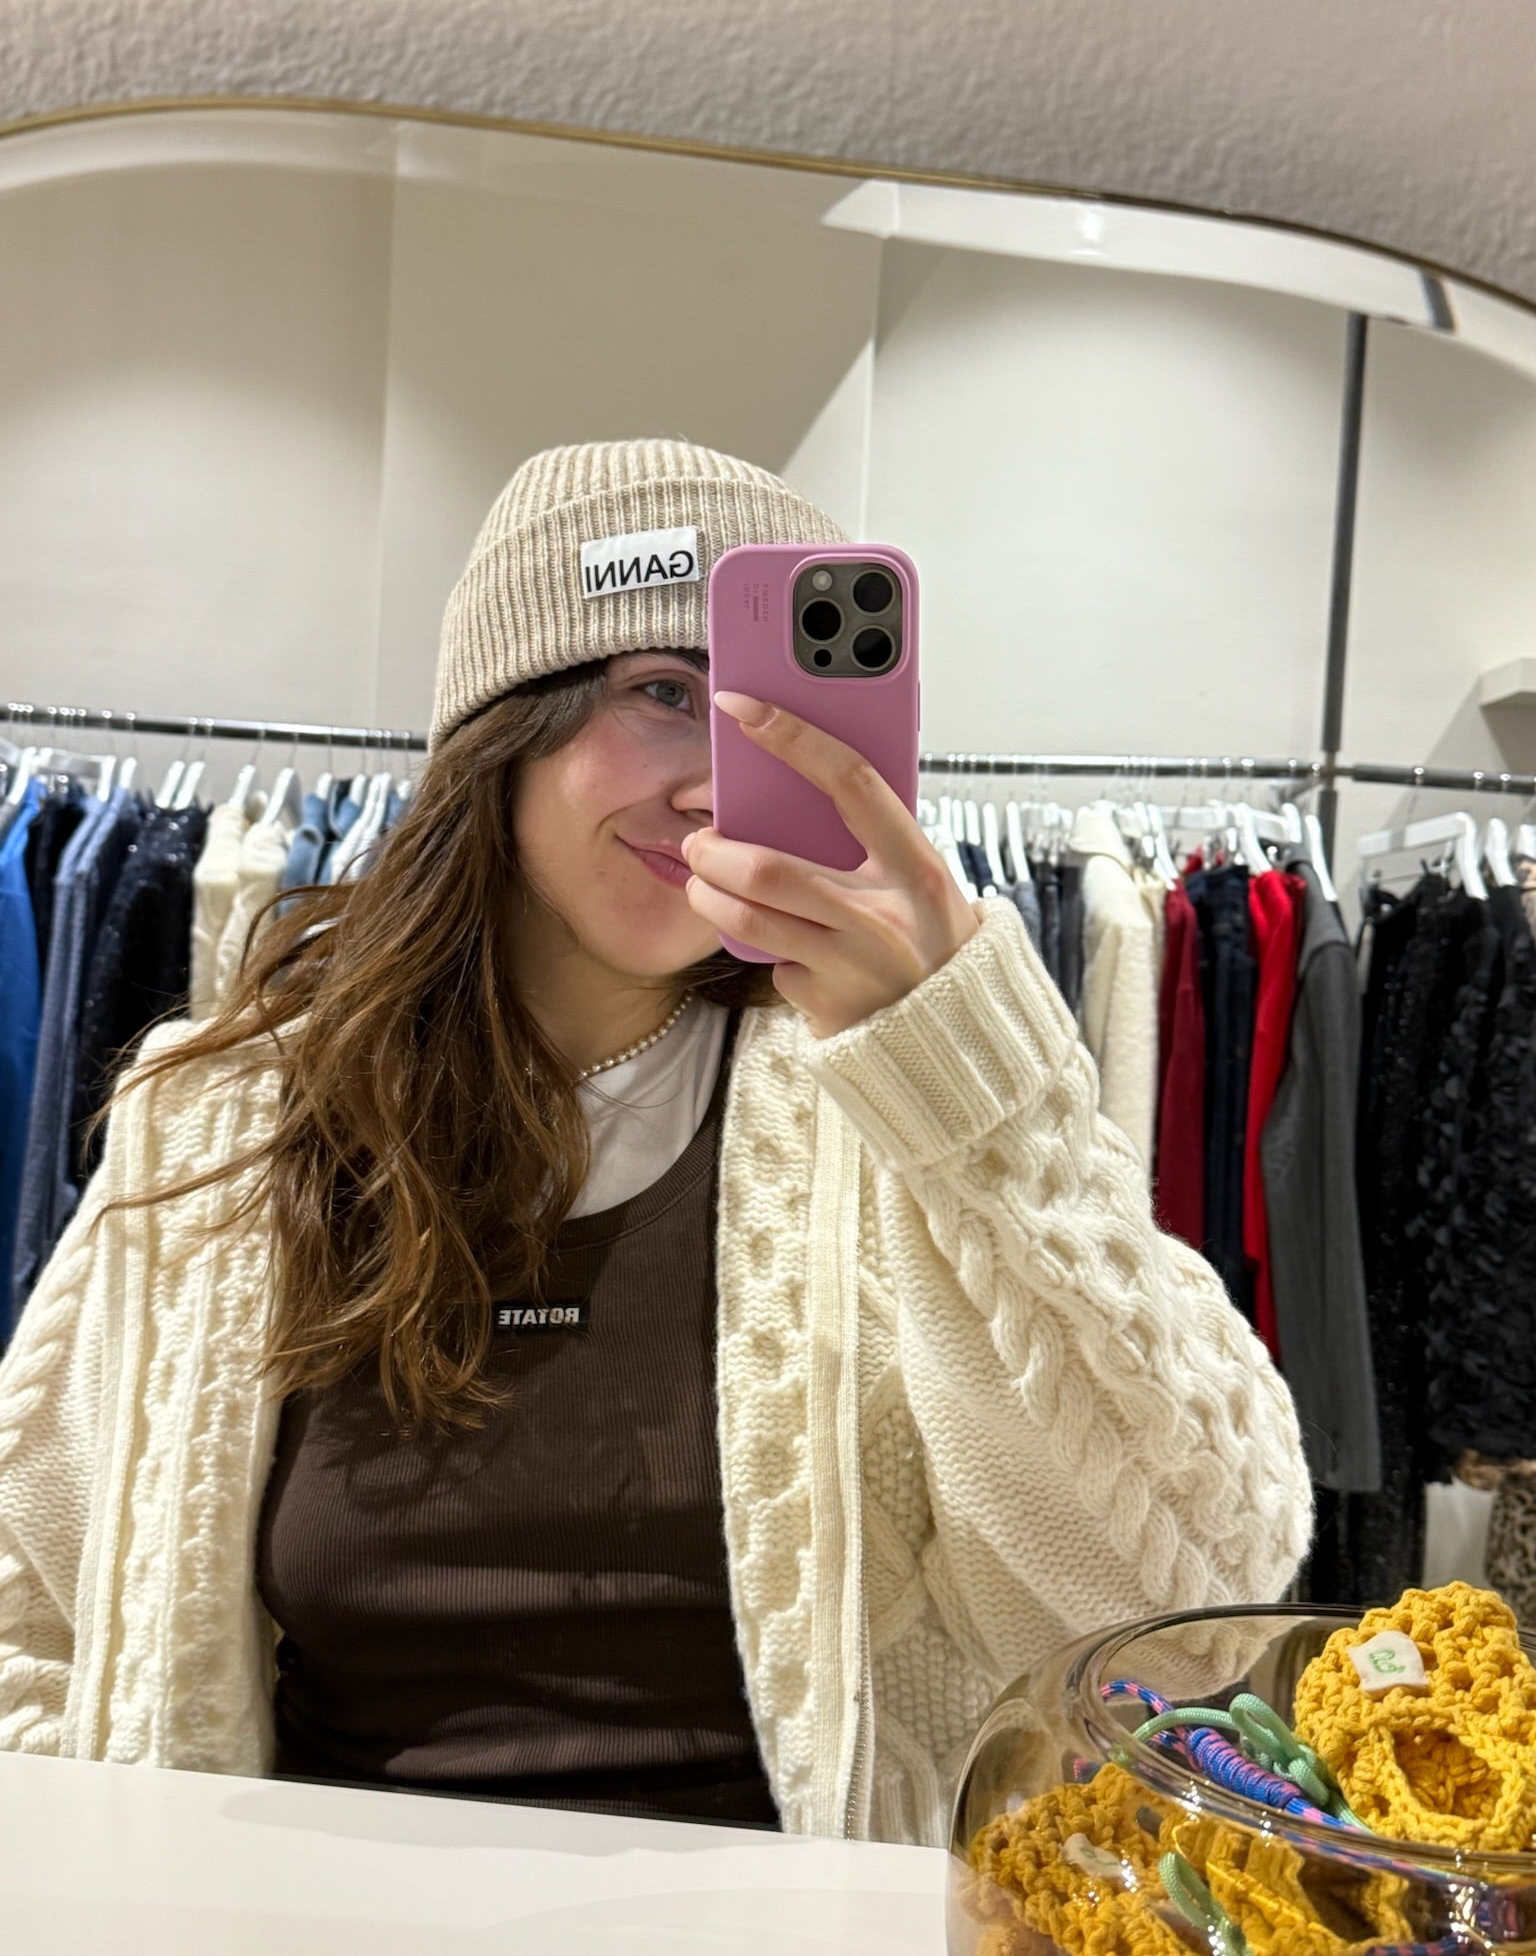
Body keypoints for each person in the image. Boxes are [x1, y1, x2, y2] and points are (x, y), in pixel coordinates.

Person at [0, 440, 1311, 1845]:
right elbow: (36, 1615)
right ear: (503, 726)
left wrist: (979, 1107)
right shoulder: (227, 1121)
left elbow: (1189, 1619)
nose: (719, 788)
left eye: (782, 719)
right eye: (667, 694)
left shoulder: (901, 1116)